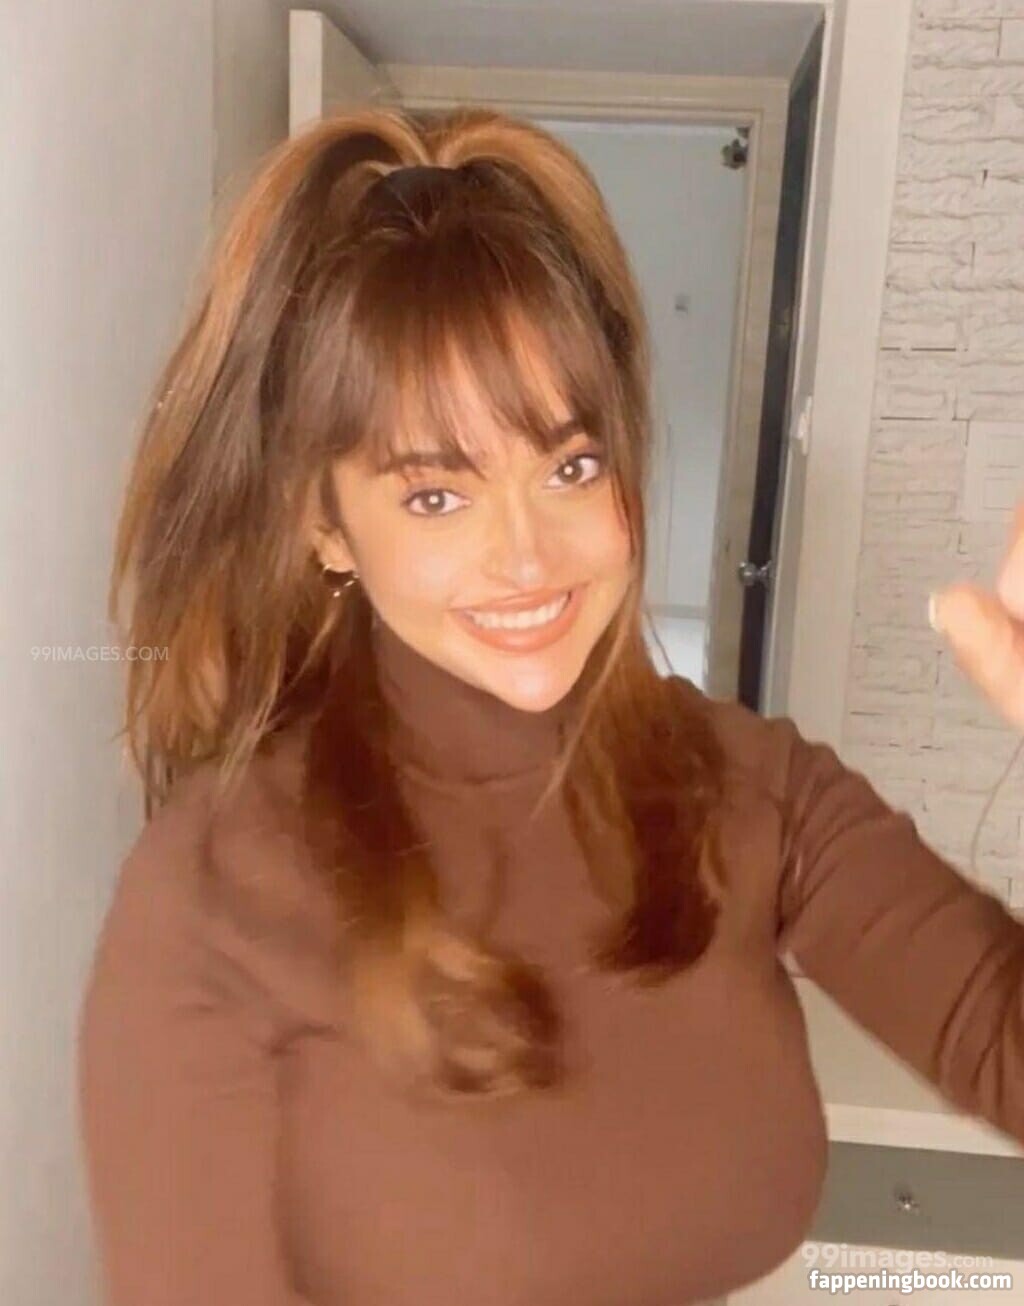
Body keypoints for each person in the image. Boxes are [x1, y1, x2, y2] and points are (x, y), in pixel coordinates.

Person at [77, 106, 1024, 1306]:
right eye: (436, 495)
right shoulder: (212, 897)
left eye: (571, 466)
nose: (528, 556)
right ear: (326, 526)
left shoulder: (752, 788)